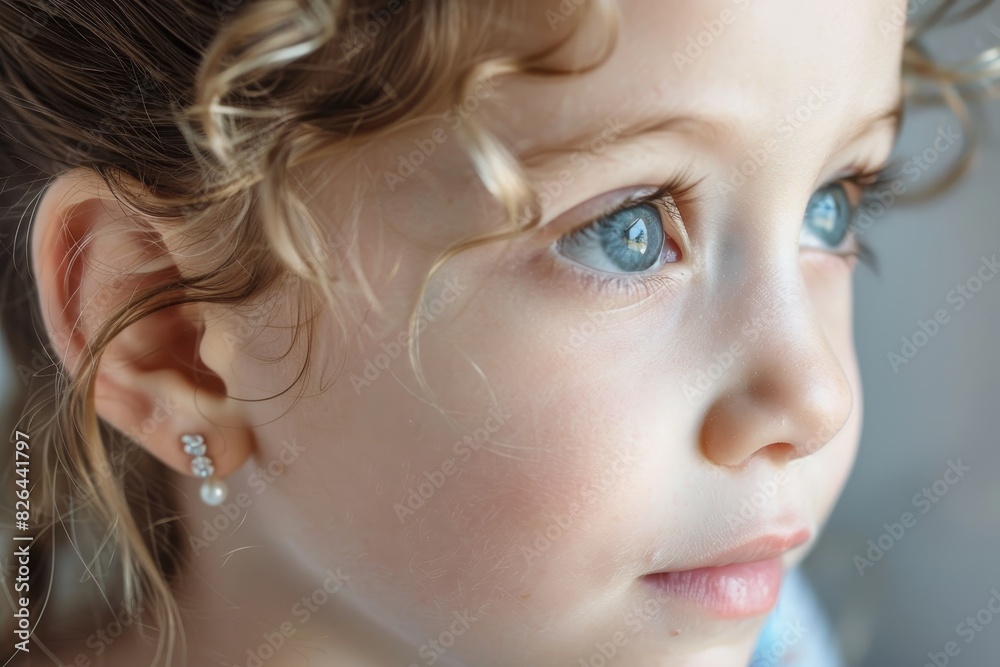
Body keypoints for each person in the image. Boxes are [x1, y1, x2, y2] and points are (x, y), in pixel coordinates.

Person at [0, 1, 994, 665]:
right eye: (628, 230)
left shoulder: (771, 632)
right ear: (175, 331)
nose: (812, 396)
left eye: (832, 206)